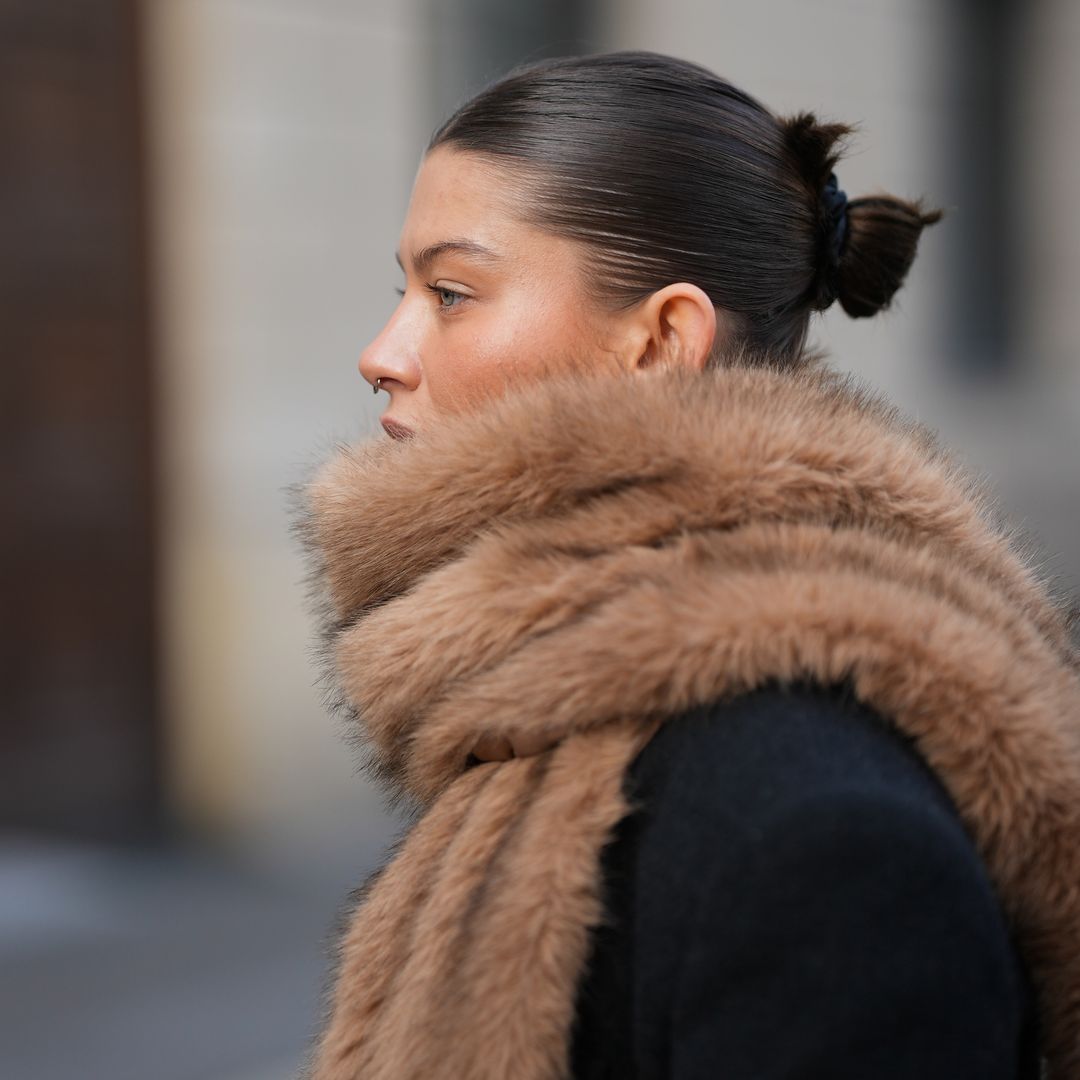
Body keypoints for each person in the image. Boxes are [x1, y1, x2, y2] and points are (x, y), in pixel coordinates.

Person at [293, 51, 1080, 1080]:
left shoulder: (818, 838)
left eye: (449, 291)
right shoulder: (564, 709)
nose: (383, 351)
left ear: (664, 341)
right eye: (401, 288)